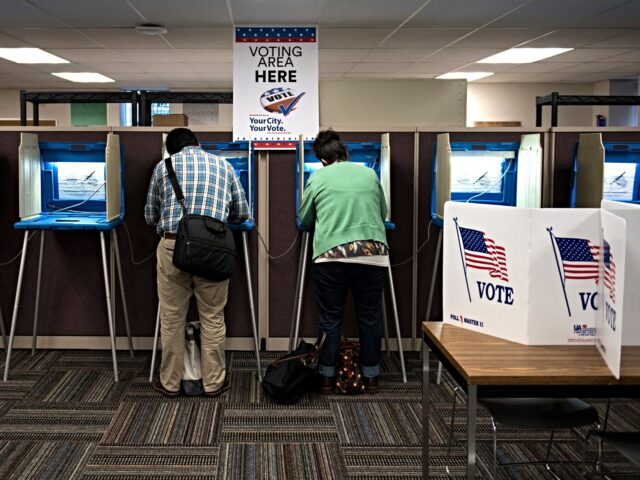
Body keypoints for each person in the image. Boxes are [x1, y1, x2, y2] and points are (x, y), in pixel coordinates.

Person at [145, 128, 249, 397]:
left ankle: (169, 382)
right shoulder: (224, 165)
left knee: (171, 318)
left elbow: (150, 215)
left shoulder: (162, 167)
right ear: (198, 144)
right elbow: (242, 212)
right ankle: (213, 382)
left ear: (171, 149)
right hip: (213, 249)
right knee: (213, 317)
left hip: (172, 246)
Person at [298, 129, 389, 395]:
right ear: (345, 152)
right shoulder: (370, 174)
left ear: (322, 159)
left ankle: (327, 377)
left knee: (330, 318)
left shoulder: (318, 177)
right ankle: (371, 377)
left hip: (331, 254)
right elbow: (383, 213)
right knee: (370, 317)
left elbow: (305, 218)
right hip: (372, 252)